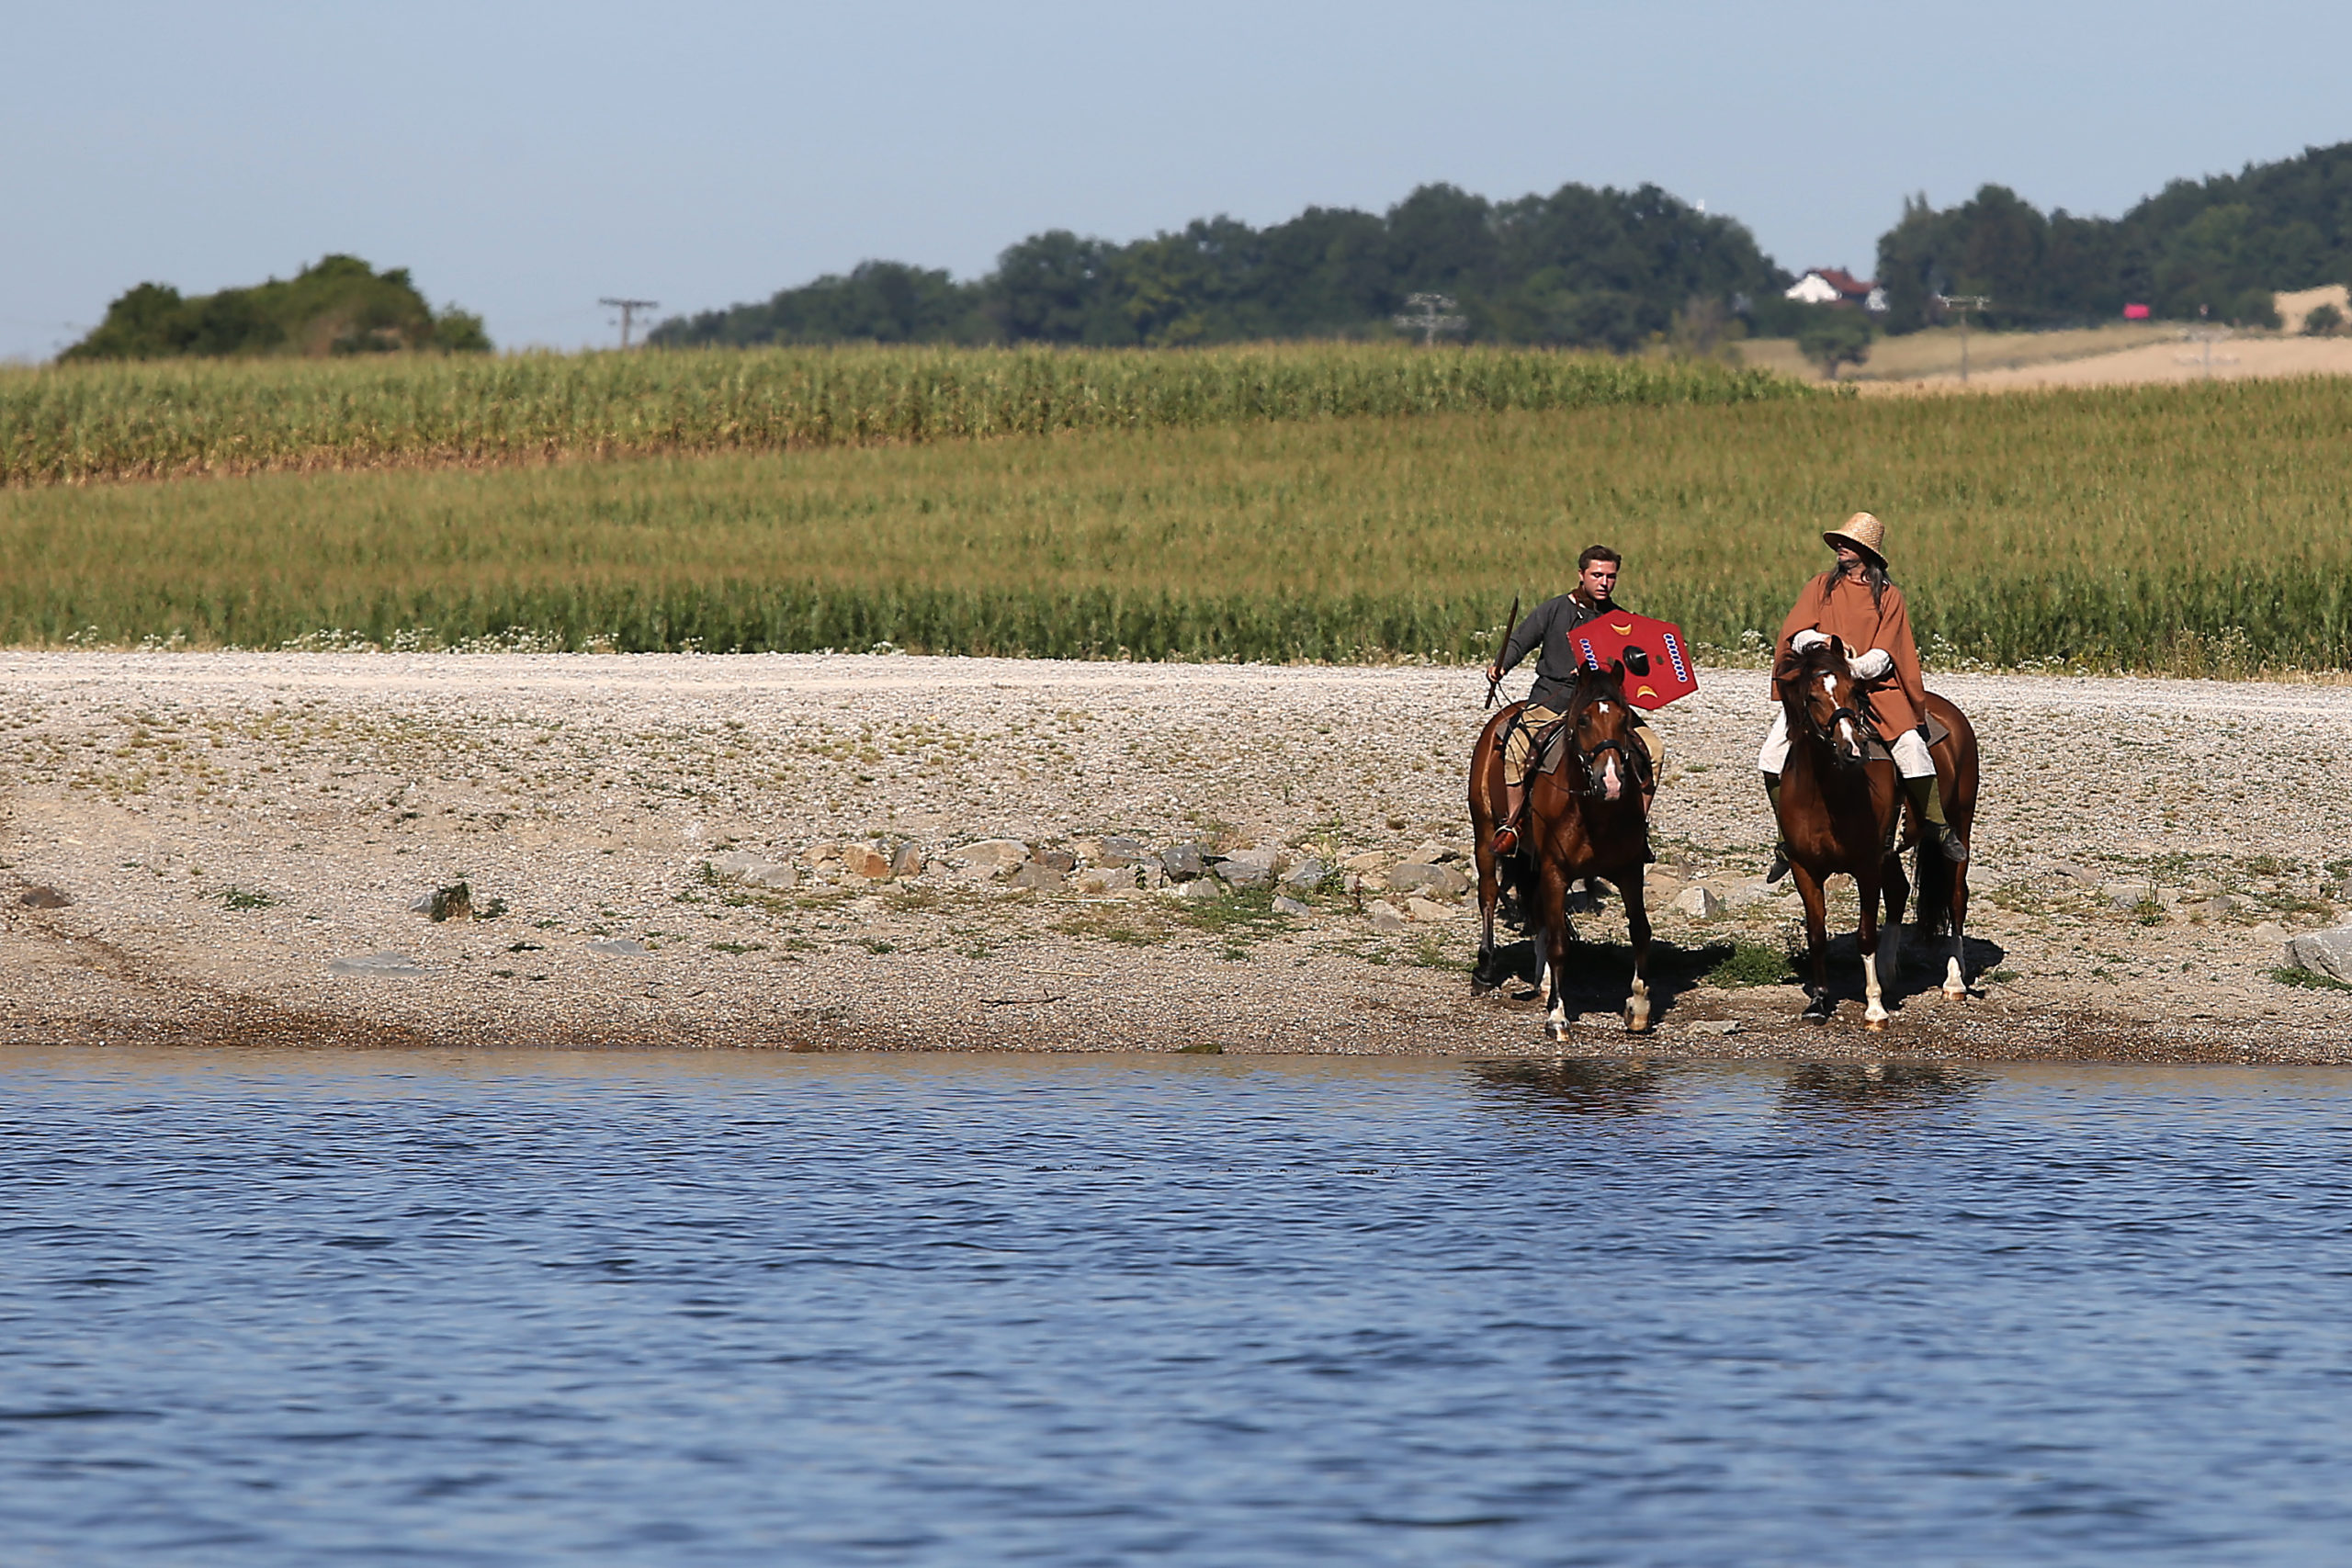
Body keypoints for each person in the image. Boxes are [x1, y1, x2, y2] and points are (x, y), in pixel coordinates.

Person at [1758, 512, 1966, 881]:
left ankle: (1936, 824)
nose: (1840, 547)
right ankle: (1786, 840)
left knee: (1911, 749)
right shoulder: (1821, 586)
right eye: (1840, 542)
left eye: (1848, 543)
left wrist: (1853, 669)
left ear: (1866, 551)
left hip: (1871, 686)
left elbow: (1887, 653)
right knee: (1771, 756)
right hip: (1824, 687)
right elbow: (1797, 632)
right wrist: (1821, 646)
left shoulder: (1889, 597)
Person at [1485, 545, 1665, 856]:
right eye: (1597, 575)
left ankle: (1637, 827)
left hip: (1601, 709)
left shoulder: (1621, 620)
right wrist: (1501, 665)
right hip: (1552, 699)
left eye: (1611, 576)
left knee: (1654, 750)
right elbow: (1519, 641)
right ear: (1581, 575)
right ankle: (1514, 824)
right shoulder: (1554, 610)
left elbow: (1633, 670)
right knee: (1515, 749)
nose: (1604, 582)